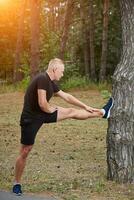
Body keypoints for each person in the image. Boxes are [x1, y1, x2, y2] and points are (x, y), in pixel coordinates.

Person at [12, 58, 113, 195]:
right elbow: (42, 103)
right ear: (54, 69)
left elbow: (67, 97)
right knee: (25, 151)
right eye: (62, 71)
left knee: (71, 111)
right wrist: (54, 109)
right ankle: (16, 183)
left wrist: (85, 106)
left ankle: (103, 112)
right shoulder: (42, 78)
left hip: (44, 113)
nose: (63, 74)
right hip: (30, 119)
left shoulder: (51, 83)